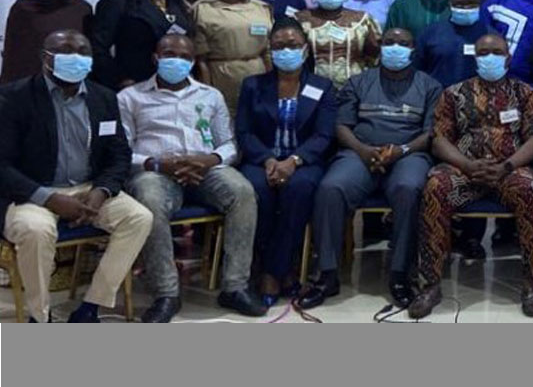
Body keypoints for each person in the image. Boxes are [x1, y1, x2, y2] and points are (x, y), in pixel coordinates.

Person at [0, 29, 152, 323]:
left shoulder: (104, 98)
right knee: (35, 231)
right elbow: (2, 165)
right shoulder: (13, 97)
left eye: (83, 53)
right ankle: (39, 315)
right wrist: (49, 198)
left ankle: (91, 306)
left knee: (139, 218)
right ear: (46, 58)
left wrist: (102, 191)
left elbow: (118, 154)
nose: (77, 59)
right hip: (32, 192)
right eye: (68, 52)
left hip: (88, 188)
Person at [118, 34, 265, 322]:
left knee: (243, 192)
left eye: (185, 56)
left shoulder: (210, 95)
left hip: (206, 169)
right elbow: (120, 151)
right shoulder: (130, 97)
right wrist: (157, 163)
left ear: (193, 61)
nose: (177, 60)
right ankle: (166, 293)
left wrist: (208, 160)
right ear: (155, 58)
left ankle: (235, 287)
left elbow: (229, 144)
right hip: (154, 172)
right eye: (169, 53)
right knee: (149, 200)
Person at [407, 34, 533, 319]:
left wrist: (506, 166)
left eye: (496, 52)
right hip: (464, 171)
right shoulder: (453, 93)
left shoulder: (526, 94)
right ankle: (430, 284)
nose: (489, 57)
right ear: (475, 57)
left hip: (509, 171)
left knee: (530, 187)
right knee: (436, 185)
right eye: (483, 52)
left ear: (508, 58)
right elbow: (439, 140)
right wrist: (467, 165)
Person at [298, 28, 442, 310]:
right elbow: (341, 125)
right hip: (360, 152)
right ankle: (327, 274)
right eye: (389, 43)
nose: (396, 48)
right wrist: (364, 151)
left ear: (414, 49)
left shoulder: (429, 85)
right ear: (380, 47)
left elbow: (432, 133)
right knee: (331, 188)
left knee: (409, 188)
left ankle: (400, 273)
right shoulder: (359, 81)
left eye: (404, 43)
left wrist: (400, 151)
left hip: (408, 154)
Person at [236, 18, 337, 301]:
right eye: (278, 46)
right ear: (270, 49)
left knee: (298, 190)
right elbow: (244, 132)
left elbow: (323, 135)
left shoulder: (323, 86)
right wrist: (268, 159)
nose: (285, 51)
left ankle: (272, 272)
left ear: (305, 48)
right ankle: (283, 271)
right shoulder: (253, 85)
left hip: (304, 163)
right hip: (261, 161)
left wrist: (294, 160)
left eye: (292, 45)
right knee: (258, 193)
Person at [91, 0, 194, 90]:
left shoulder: (178, 3)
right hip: (134, 86)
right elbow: (97, 48)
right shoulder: (118, 0)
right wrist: (118, 80)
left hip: (174, 86)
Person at [192, 0, 273, 116]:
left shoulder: (262, 8)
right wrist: (207, 94)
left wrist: (271, 87)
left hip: (256, 76)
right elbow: (201, 61)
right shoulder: (203, 8)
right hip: (220, 77)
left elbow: (267, 53)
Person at [1, 0, 92, 84]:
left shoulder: (83, 9)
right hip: (29, 88)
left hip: (71, 86)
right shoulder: (25, 7)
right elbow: (12, 55)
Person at [296, 0, 382, 87]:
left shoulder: (362, 20)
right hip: (311, 86)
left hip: (354, 87)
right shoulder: (299, 20)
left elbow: (375, 56)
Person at [415, 0, 490, 88]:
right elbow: (417, 70)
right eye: (460, 4)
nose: (466, 8)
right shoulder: (430, 33)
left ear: (479, 4)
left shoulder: (490, 36)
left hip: (477, 100)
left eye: (471, 3)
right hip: (437, 99)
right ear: (450, 4)